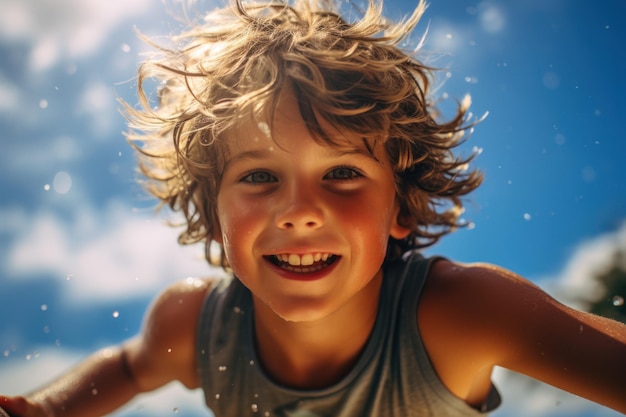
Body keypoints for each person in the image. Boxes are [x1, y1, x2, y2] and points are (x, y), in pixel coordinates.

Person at [2, 0, 625, 416]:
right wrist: (51, 409)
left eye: (343, 173)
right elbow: (130, 369)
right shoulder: (194, 326)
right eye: (261, 176)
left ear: (400, 207)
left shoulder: (461, 315)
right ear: (214, 214)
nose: (300, 210)